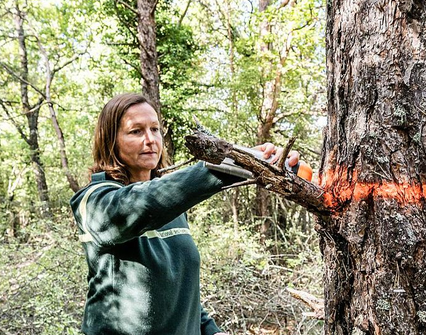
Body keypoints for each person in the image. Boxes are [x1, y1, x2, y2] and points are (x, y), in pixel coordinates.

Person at [70, 93, 301, 335]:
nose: (150, 140)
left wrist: (212, 331)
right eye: (136, 131)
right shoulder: (93, 200)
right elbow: (139, 206)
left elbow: (179, 294)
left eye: (155, 129)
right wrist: (236, 165)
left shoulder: (172, 206)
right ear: (111, 141)